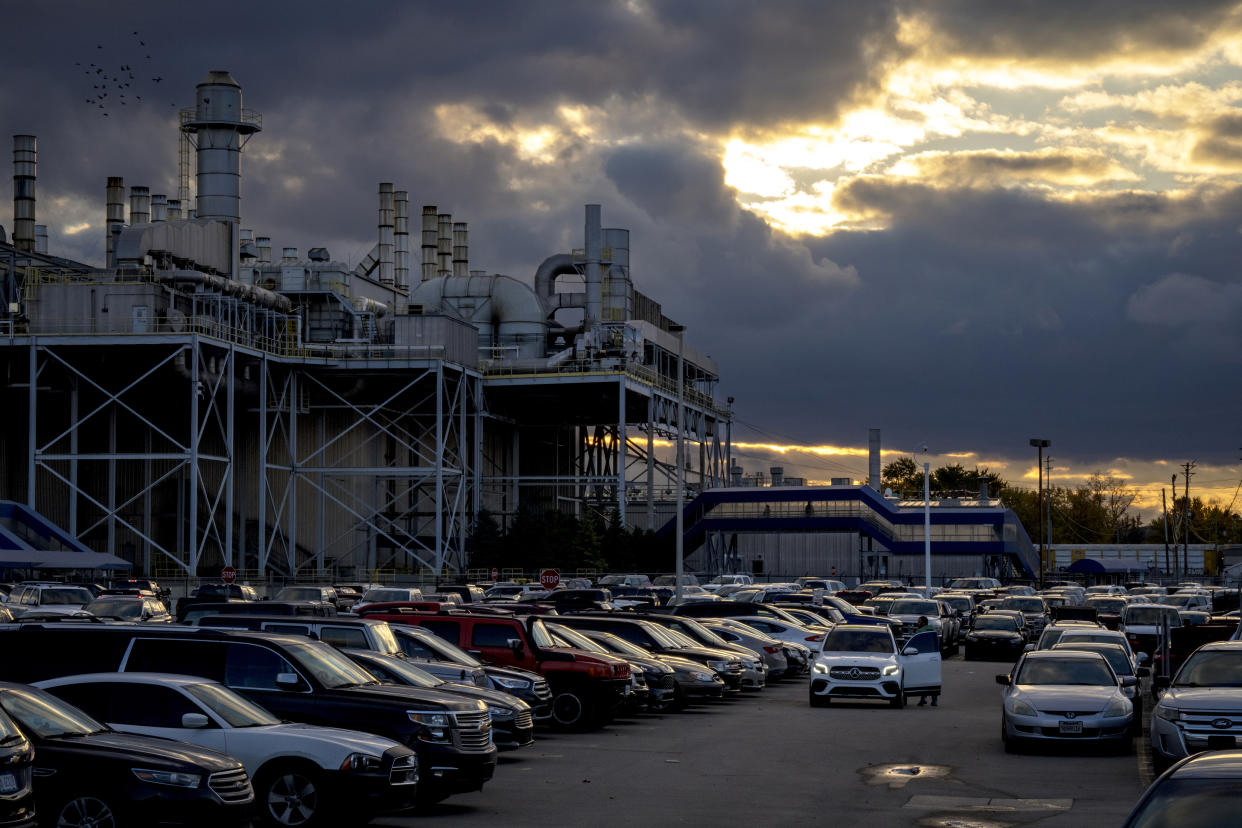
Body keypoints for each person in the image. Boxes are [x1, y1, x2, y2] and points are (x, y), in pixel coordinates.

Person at [914, 616, 938, 706]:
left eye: (919, 622)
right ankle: (934, 700)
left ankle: (923, 698)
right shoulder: (933, 631)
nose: (917, 623)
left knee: (923, 678)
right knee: (933, 679)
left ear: (923, 623)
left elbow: (916, 645)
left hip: (922, 657)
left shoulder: (919, 632)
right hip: (933, 656)